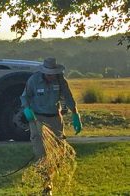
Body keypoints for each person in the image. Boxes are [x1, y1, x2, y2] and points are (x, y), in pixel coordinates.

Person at [20, 57, 82, 195]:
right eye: (49, 74)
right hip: (37, 119)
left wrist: (75, 114)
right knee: (41, 153)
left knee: (59, 152)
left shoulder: (60, 80)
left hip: (55, 118)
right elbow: (25, 97)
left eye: (53, 74)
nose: (51, 76)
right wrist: (26, 109)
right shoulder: (33, 80)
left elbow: (68, 97)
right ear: (43, 72)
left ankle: (51, 176)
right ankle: (46, 186)